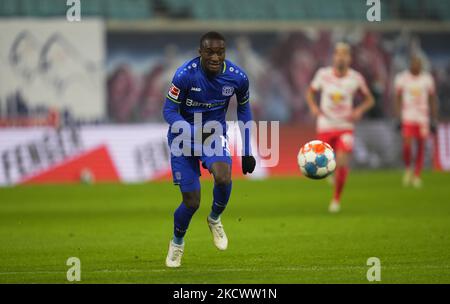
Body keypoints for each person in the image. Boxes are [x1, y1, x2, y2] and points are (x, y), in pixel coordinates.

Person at [162, 32, 256, 267]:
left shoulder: (238, 78)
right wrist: (189, 130)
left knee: (223, 177)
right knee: (192, 202)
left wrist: (246, 150)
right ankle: (177, 242)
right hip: (182, 138)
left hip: (213, 135)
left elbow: (244, 111)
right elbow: (169, 111)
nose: (215, 57)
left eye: (220, 52)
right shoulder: (184, 75)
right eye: (210, 52)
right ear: (200, 52)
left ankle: (214, 218)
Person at [306, 42, 374, 213]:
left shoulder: (356, 78)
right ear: (333, 56)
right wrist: (313, 107)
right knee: (325, 162)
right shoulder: (323, 75)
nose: (340, 56)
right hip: (326, 124)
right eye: (337, 53)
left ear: (349, 58)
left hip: (345, 125)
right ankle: (329, 172)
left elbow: (369, 100)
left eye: (344, 54)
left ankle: (336, 200)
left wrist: (359, 110)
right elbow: (310, 93)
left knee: (342, 162)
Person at [394, 55, 438, 188]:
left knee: (421, 146)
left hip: (422, 117)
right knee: (407, 144)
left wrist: (433, 118)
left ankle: (417, 175)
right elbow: (398, 98)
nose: (416, 66)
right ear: (410, 64)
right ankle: (408, 169)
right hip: (408, 115)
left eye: (419, 63)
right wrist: (398, 116)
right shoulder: (402, 78)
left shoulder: (427, 79)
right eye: (414, 63)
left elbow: (432, 99)